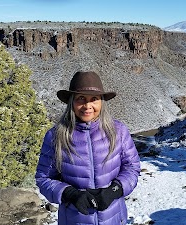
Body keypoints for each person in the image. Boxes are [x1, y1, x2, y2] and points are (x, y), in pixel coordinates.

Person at [35, 71, 141, 225]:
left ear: (101, 102)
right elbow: (43, 178)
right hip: (74, 220)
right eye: (81, 99)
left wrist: (115, 190)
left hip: (114, 218)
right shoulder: (56, 136)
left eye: (94, 99)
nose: (87, 106)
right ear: (72, 101)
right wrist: (69, 194)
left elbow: (132, 167)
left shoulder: (118, 131)